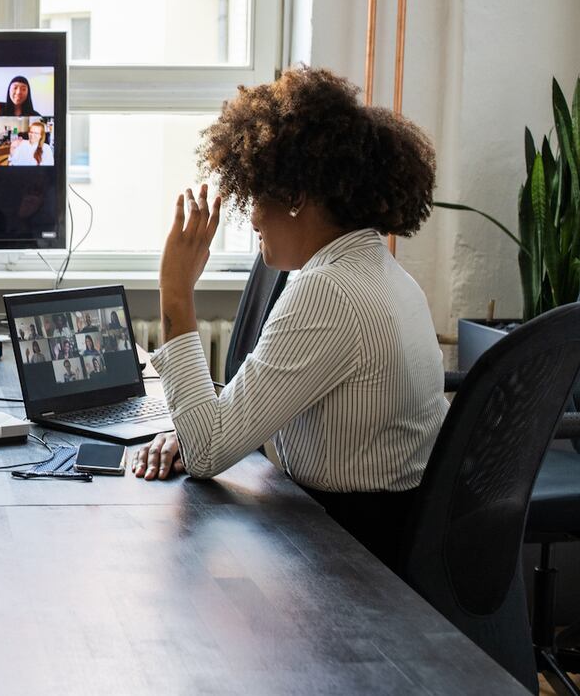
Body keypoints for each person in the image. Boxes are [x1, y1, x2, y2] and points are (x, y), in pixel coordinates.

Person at [130, 66, 446, 572]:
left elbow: (209, 451)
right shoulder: (375, 267)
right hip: (370, 531)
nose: (252, 217)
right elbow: (229, 429)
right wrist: (199, 427)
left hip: (344, 557)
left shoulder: (330, 292)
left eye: (257, 196)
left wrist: (175, 293)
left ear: (296, 198)